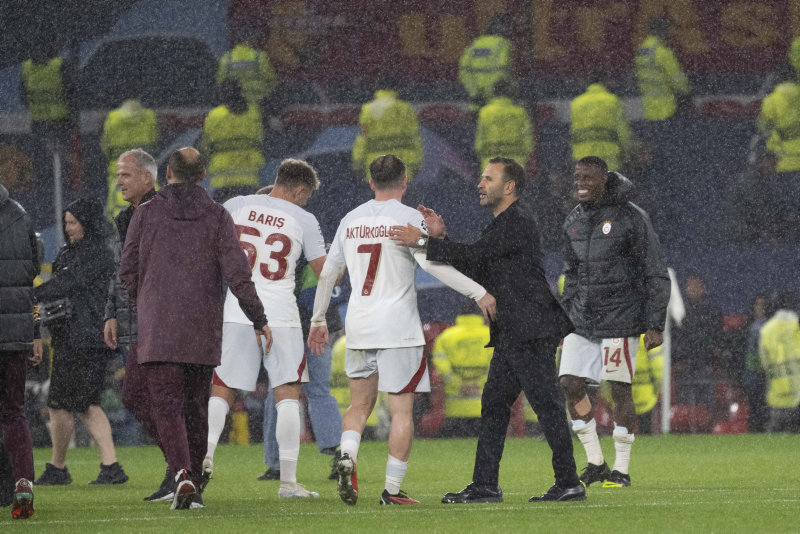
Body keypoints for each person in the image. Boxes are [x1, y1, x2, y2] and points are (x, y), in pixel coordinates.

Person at [389, 157, 582, 503]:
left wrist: (423, 241)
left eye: (488, 178)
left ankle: (568, 482)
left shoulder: (517, 221)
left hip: (529, 329)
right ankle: (485, 485)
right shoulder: (504, 224)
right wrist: (441, 239)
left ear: (509, 187)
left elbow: (476, 258)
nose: (480, 184)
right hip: (515, 329)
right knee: (495, 405)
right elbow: (481, 264)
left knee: (546, 406)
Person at [308, 154, 496, 506]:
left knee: (359, 404)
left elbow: (329, 273)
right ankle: (392, 491)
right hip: (398, 328)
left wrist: (318, 319)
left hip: (359, 325)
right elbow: (436, 266)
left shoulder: (351, 219)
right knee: (401, 411)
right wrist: (479, 291)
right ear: (405, 181)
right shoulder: (409, 219)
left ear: (370, 182)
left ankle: (347, 453)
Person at [120, 147, 271, 511]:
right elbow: (238, 272)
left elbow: (127, 271)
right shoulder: (218, 216)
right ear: (203, 174)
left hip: (158, 329)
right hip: (201, 328)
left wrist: (147, 301)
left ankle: (182, 474)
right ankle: (194, 483)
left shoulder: (145, 214)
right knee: (195, 408)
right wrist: (258, 317)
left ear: (167, 173)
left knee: (166, 407)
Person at [206, 159, 326, 499]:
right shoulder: (304, 219)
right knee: (288, 393)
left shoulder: (236, 205)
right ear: (300, 190)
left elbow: (209, 252)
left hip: (237, 307)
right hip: (279, 313)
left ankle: (204, 461)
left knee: (223, 389)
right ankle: (288, 483)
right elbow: (324, 272)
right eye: (306, 197)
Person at [558, 156, 670, 488]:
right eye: (577, 176)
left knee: (619, 389)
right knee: (569, 382)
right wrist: (565, 320)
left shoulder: (632, 217)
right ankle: (595, 461)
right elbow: (572, 275)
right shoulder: (572, 222)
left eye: (588, 177)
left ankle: (621, 469)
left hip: (621, 317)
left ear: (605, 179)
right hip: (582, 319)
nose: (581, 182)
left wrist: (655, 322)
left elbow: (654, 270)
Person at [33, 197, 128, 487]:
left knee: (80, 403)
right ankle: (60, 467)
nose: (67, 227)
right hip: (66, 337)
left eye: (73, 222)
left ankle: (107, 466)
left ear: (87, 223)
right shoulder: (67, 253)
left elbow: (68, 284)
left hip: (87, 338)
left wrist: (28, 295)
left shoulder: (98, 254)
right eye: (66, 222)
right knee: (64, 403)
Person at [101, 149, 169, 501]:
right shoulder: (124, 217)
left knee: (146, 397)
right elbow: (119, 269)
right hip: (134, 320)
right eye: (118, 174)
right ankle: (181, 463)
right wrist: (111, 312)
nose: (119, 181)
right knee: (140, 398)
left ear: (147, 177)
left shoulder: (164, 212)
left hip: (159, 320)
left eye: (126, 175)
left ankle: (180, 466)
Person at [259, 263, 344, 482]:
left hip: (289, 324)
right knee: (319, 392)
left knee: (278, 393)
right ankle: (339, 454)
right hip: (316, 322)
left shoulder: (289, 239)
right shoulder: (320, 242)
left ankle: (276, 463)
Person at [0, 184, 42, 519]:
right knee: (14, 411)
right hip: (15, 332)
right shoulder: (20, 215)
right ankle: (22, 482)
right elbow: (33, 269)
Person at [432, 302, 493, 437]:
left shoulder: (446, 337)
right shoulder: (492, 335)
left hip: (455, 410)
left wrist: (459, 384)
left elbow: (442, 367)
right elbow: (497, 366)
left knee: (455, 453)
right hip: (484, 408)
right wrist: (480, 384)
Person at [201, 79, 264, 203]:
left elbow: (205, 146)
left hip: (222, 180)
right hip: (248, 179)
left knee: (221, 218)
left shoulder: (215, 115)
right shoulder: (254, 113)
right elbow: (261, 143)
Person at [756, 66, 800, 242]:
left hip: (782, 163)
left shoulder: (771, 101)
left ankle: (787, 241)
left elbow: (763, 128)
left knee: (783, 208)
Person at [351, 82, 423, 183]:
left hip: (376, 170)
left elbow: (362, 139)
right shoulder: (405, 109)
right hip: (402, 168)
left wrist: (358, 163)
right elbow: (415, 138)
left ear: (377, 89)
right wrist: (417, 164)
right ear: (396, 89)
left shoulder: (368, 110)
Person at [100, 96, 158, 218]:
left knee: (117, 208)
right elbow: (155, 140)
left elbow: (105, 146)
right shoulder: (149, 117)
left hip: (119, 170)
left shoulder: (112, 118)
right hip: (144, 168)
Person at [570, 71, 632, 172]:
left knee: (588, 184)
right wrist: (627, 151)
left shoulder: (576, 103)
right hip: (608, 153)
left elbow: (573, 131)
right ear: (605, 82)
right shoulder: (612, 100)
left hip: (583, 154)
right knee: (608, 184)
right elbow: (622, 130)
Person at [758, 292, 800, 433]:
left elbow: (764, 362)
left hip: (776, 396)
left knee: (776, 439)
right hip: (797, 395)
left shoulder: (766, 330)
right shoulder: (796, 326)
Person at [635, 18, 690, 123]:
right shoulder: (662, 52)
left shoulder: (641, 51)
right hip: (666, 109)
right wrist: (686, 91)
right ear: (662, 31)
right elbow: (677, 79)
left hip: (649, 109)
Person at [474, 79, 533, 172]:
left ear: (493, 92)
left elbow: (479, 143)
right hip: (515, 163)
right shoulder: (521, 113)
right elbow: (528, 143)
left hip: (490, 163)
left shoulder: (485, 112)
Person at [459, 13, 514, 112]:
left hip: (477, 102)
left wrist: (474, 93)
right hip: (496, 103)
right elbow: (503, 71)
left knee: (479, 126)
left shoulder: (476, 43)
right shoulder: (503, 44)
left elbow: (464, 71)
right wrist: (496, 92)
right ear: (504, 28)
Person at [20, 45, 73, 145]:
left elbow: (23, 97)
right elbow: (70, 92)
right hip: (59, 120)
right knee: (63, 154)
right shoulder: (59, 65)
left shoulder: (26, 67)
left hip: (39, 122)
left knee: (42, 155)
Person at [217, 26, 277, 113]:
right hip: (258, 106)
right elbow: (271, 79)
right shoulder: (260, 57)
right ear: (251, 40)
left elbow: (221, 81)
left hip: (234, 108)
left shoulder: (227, 58)